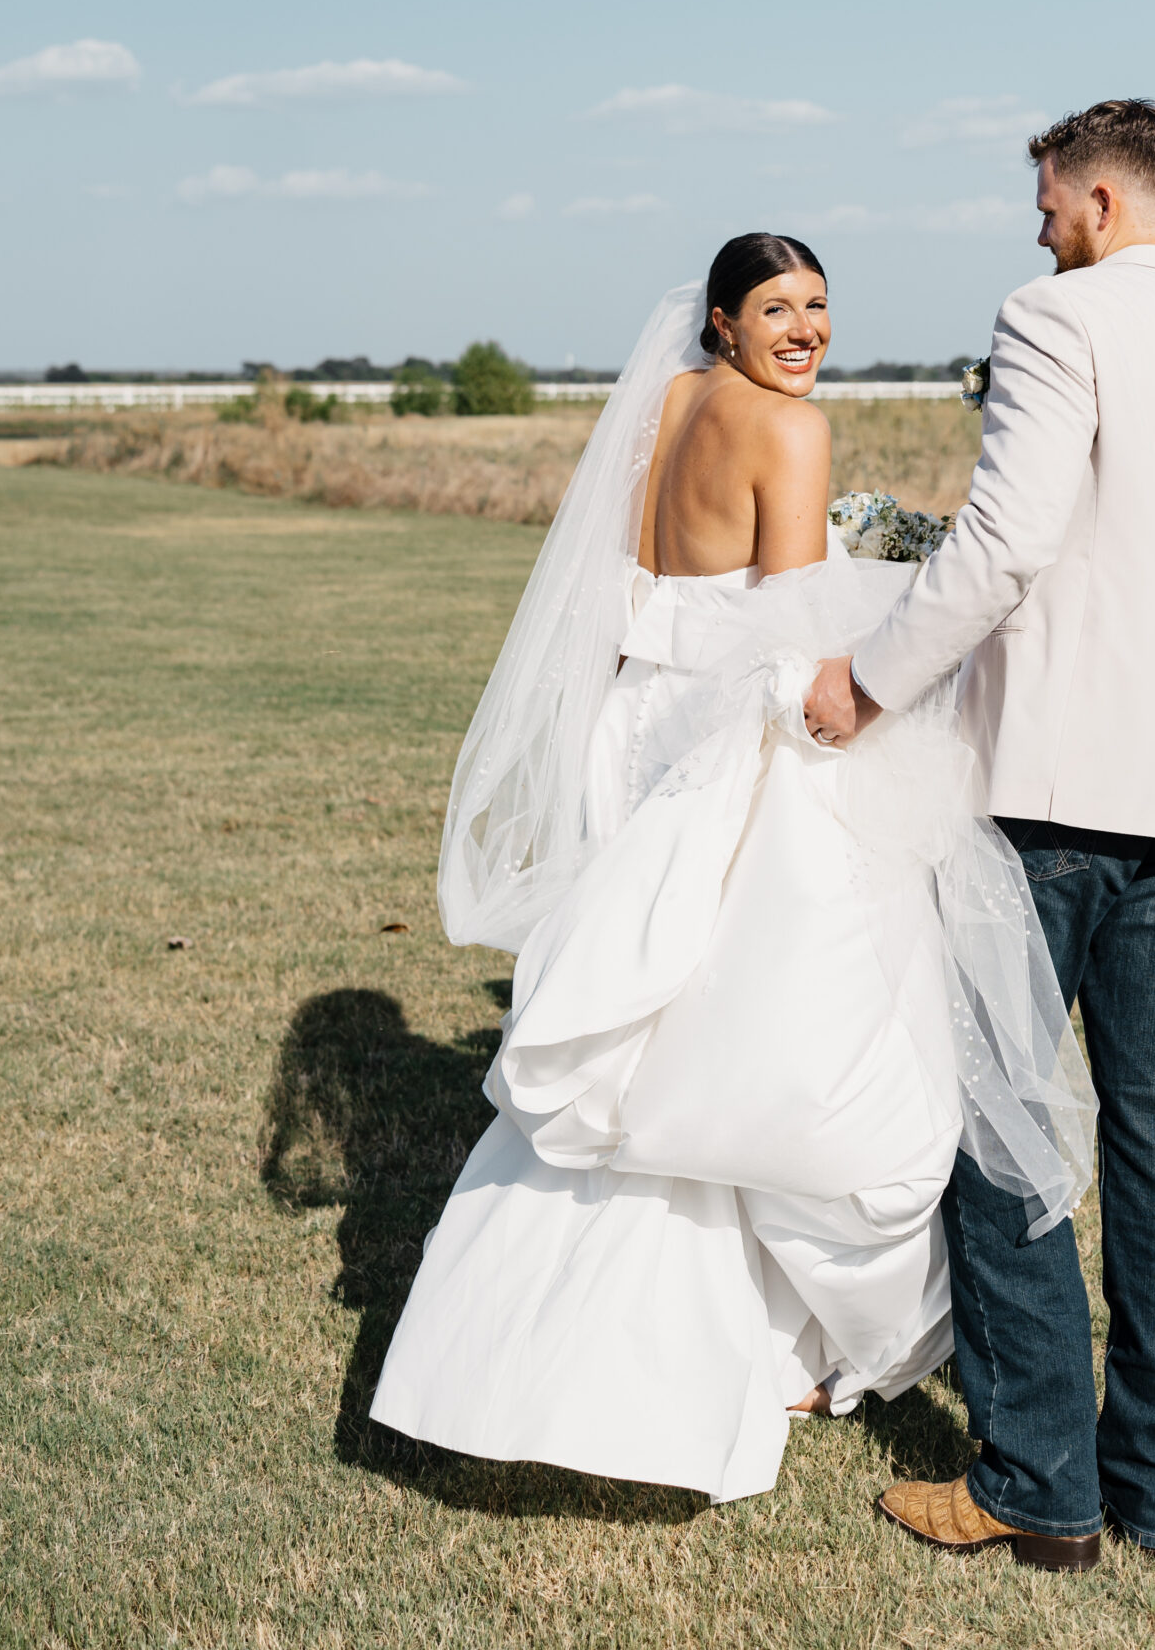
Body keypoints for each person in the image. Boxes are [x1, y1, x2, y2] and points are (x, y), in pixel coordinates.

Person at [369, 234, 1093, 1516]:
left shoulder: (657, 407)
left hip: (636, 726)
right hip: (731, 743)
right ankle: (795, 1337)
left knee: (646, 1026)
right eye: (777, 307)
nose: (806, 328)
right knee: (788, 1033)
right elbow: (795, 621)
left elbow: (632, 583)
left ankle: (551, 1348)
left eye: (818, 305)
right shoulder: (790, 432)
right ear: (721, 318)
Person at [806, 101, 1155, 1571]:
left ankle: (1035, 1479)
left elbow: (1009, 537)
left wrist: (872, 680)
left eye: (1042, 201)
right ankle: (1151, 1493)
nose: (1034, 226)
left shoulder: (1053, 318)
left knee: (1000, 1128)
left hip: (1044, 799)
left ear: (1095, 199)